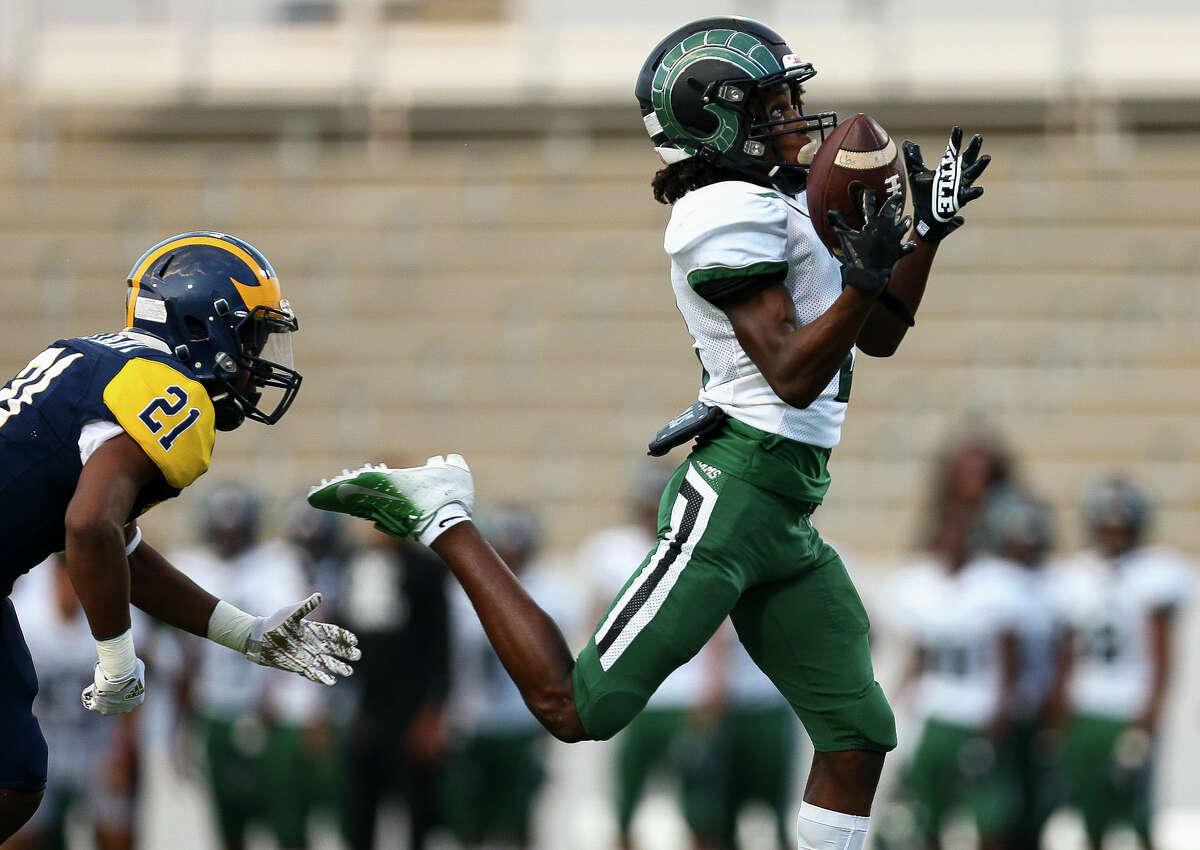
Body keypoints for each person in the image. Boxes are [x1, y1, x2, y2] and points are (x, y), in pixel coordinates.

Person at [308, 16, 989, 849]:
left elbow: (877, 332)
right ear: (719, 119)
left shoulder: (773, 197)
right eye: (776, 102)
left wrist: (922, 238)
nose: (797, 115)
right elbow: (793, 370)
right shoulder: (720, 209)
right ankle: (445, 517)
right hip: (737, 490)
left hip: (786, 504)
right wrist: (869, 271)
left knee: (857, 736)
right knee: (576, 709)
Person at [0, 231, 360, 842]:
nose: (257, 362)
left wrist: (242, 634)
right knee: (14, 777)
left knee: (14, 774)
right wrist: (116, 658)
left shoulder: (98, 359)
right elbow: (89, 527)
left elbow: (116, 547)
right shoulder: (176, 394)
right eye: (252, 338)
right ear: (202, 326)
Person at [172, 484, 332, 850]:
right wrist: (182, 727)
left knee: (287, 821)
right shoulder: (193, 567)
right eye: (222, 530)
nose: (228, 537)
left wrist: (310, 708)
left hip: (274, 714)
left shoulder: (277, 564)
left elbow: (305, 638)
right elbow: (186, 658)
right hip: (216, 709)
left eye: (236, 530)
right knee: (228, 824)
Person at [1045, 477, 1193, 850]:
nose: (1114, 533)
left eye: (1122, 525)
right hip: (1086, 709)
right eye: (1107, 525)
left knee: (1138, 817)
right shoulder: (1075, 575)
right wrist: (1058, 719)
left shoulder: (1156, 572)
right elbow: (1067, 654)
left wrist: (1147, 721)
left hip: (1128, 708)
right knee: (1090, 817)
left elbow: (1161, 656)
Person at [440, 506, 577, 849]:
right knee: (468, 822)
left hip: (521, 723)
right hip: (469, 721)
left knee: (518, 821)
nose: (512, 551)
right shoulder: (456, 591)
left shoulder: (550, 589)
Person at [6, 556, 142, 850]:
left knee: (116, 832)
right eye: (64, 574)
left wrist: (123, 748)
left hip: (98, 743)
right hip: (44, 741)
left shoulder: (116, 615)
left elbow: (135, 688)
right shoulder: (27, 617)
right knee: (18, 835)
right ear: (52, 575)